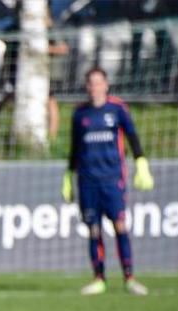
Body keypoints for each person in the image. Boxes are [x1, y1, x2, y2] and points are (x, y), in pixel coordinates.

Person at [62, 67, 154, 296]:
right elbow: (75, 148)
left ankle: (129, 277)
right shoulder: (80, 114)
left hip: (112, 179)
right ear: (87, 87)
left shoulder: (117, 109)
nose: (94, 87)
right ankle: (99, 278)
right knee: (93, 230)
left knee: (120, 226)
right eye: (90, 83)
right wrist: (68, 176)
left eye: (98, 82)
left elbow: (132, 137)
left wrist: (141, 162)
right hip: (87, 181)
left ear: (106, 84)